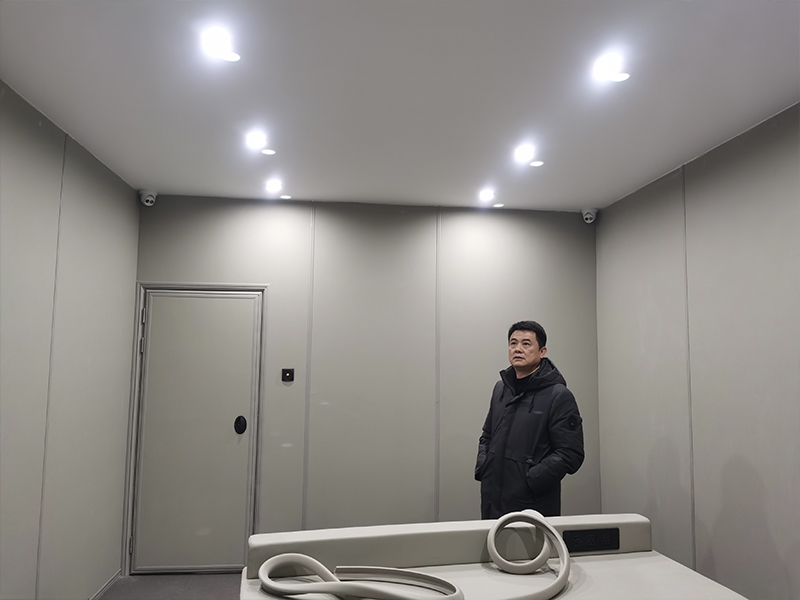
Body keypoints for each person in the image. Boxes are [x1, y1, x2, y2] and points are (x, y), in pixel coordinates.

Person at [475, 321, 584, 518]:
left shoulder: (558, 395)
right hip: (492, 499)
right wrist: (485, 466)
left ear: (542, 352)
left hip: (532, 505)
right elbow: (487, 435)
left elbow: (570, 453)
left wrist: (530, 480)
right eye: (513, 343)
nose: (518, 349)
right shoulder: (501, 389)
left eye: (526, 344)